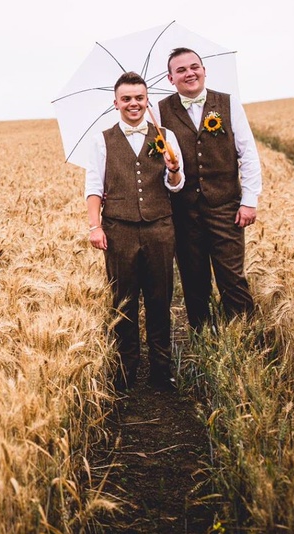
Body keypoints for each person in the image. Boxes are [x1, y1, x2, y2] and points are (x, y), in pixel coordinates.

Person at [86, 71, 185, 391]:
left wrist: (173, 170)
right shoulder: (102, 140)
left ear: (147, 101)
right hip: (119, 231)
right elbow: (94, 187)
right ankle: (126, 370)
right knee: (124, 302)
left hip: (159, 228)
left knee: (160, 299)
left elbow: (177, 186)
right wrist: (95, 226)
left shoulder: (165, 135)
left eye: (139, 98)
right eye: (126, 98)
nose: (133, 104)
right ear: (116, 103)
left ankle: (161, 370)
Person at [158, 47, 261, 331]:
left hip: (226, 207)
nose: (189, 73)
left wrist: (249, 201)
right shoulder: (159, 112)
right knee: (194, 280)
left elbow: (248, 154)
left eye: (194, 67)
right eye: (181, 70)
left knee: (233, 278)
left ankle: (245, 339)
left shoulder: (228, 104)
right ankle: (204, 339)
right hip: (184, 212)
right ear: (170, 78)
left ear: (204, 70)